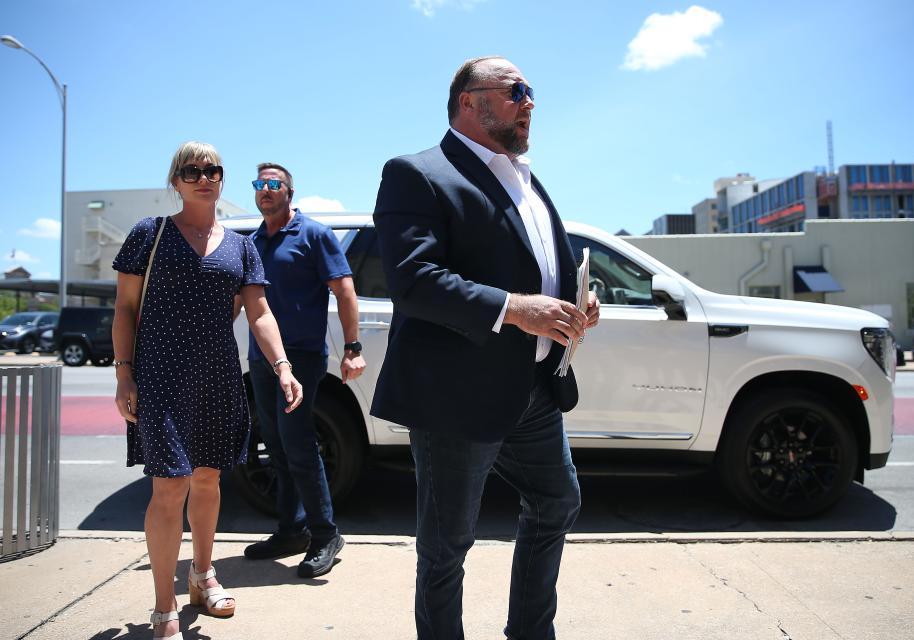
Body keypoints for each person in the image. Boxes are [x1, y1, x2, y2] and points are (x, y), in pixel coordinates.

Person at [372, 57, 601, 640]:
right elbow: (412, 278)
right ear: (470, 103)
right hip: (456, 395)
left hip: (532, 389)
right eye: (517, 90)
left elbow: (531, 261)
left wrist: (570, 299)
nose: (530, 102)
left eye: (531, 92)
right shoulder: (416, 172)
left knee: (557, 502)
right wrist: (518, 309)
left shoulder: (524, 175)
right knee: (447, 545)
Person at [112, 142, 304, 640]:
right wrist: (124, 374)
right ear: (175, 181)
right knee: (168, 487)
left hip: (217, 377)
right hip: (161, 378)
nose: (204, 177)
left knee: (207, 482)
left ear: (222, 180)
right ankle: (162, 605)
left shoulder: (241, 245)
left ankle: (202, 576)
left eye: (213, 170)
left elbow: (259, 313)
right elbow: (125, 310)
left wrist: (282, 365)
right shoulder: (149, 235)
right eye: (192, 170)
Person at [241, 162, 366, 577]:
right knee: (274, 444)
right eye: (259, 184)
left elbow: (345, 291)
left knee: (298, 444)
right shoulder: (253, 241)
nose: (265, 190)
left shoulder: (313, 234)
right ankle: (291, 529)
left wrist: (352, 347)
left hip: (303, 358)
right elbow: (241, 302)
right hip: (261, 359)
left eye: (273, 184)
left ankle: (325, 533)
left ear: (289, 192)